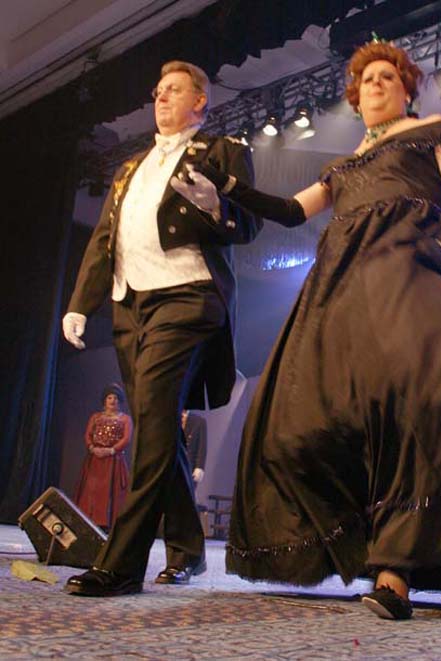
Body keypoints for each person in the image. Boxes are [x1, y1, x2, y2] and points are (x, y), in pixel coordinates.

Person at [180, 40, 441, 620]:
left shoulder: (433, 129)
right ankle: (382, 558)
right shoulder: (342, 166)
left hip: (411, 266)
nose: (373, 85)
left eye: (385, 78)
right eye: (365, 80)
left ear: (406, 88)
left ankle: (418, 569)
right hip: (344, 290)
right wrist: (230, 191)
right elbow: (294, 212)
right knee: (304, 420)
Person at [61, 60, 262, 597]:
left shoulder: (223, 152)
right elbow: (105, 237)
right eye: (158, 91)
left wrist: (214, 205)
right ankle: (188, 551)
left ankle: (121, 563)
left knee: (153, 424)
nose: (162, 97)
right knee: (157, 426)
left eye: (174, 90)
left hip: (190, 297)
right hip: (131, 304)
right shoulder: (131, 167)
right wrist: (82, 302)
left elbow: (248, 225)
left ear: (201, 101)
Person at [74, 383, 131, 530]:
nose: (113, 401)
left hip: (113, 461)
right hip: (95, 460)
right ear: (104, 401)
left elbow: (126, 439)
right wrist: (93, 448)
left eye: (116, 398)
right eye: (110, 397)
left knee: (111, 493)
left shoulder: (125, 419)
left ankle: (107, 524)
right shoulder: (95, 417)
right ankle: (88, 520)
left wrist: (111, 450)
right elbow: (88, 435)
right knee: (91, 490)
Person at [181, 409, 207, 495]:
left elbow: (202, 446)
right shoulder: (170, 418)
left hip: (189, 466)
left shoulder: (198, 422)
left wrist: (199, 467)